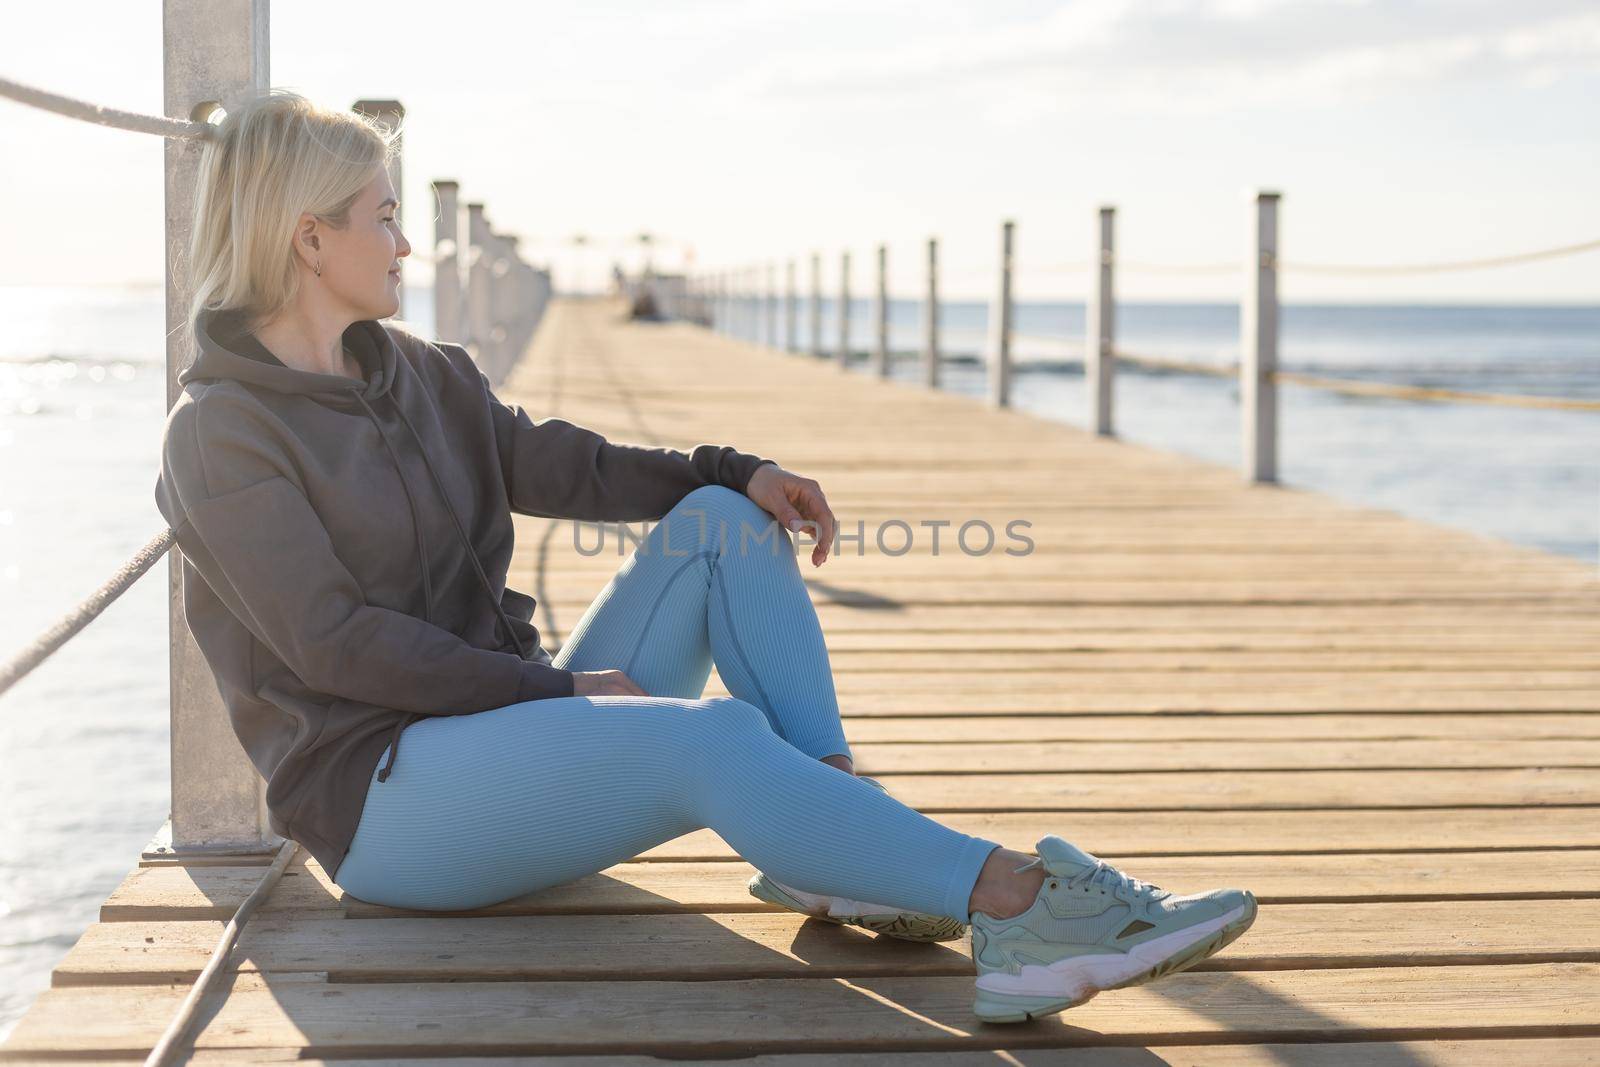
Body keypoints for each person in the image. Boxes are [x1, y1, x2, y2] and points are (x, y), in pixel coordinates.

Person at [152, 89, 1256, 1025]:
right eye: (383, 218)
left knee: (724, 517)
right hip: (387, 803)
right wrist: (556, 686)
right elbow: (336, 645)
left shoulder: (420, 371)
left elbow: (562, 465)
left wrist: (736, 467)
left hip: (495, 726)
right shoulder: (222, 432)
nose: (406, 243)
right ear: (308, 239)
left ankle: (837, 842)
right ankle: (1017, 905)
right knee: (716, 735)